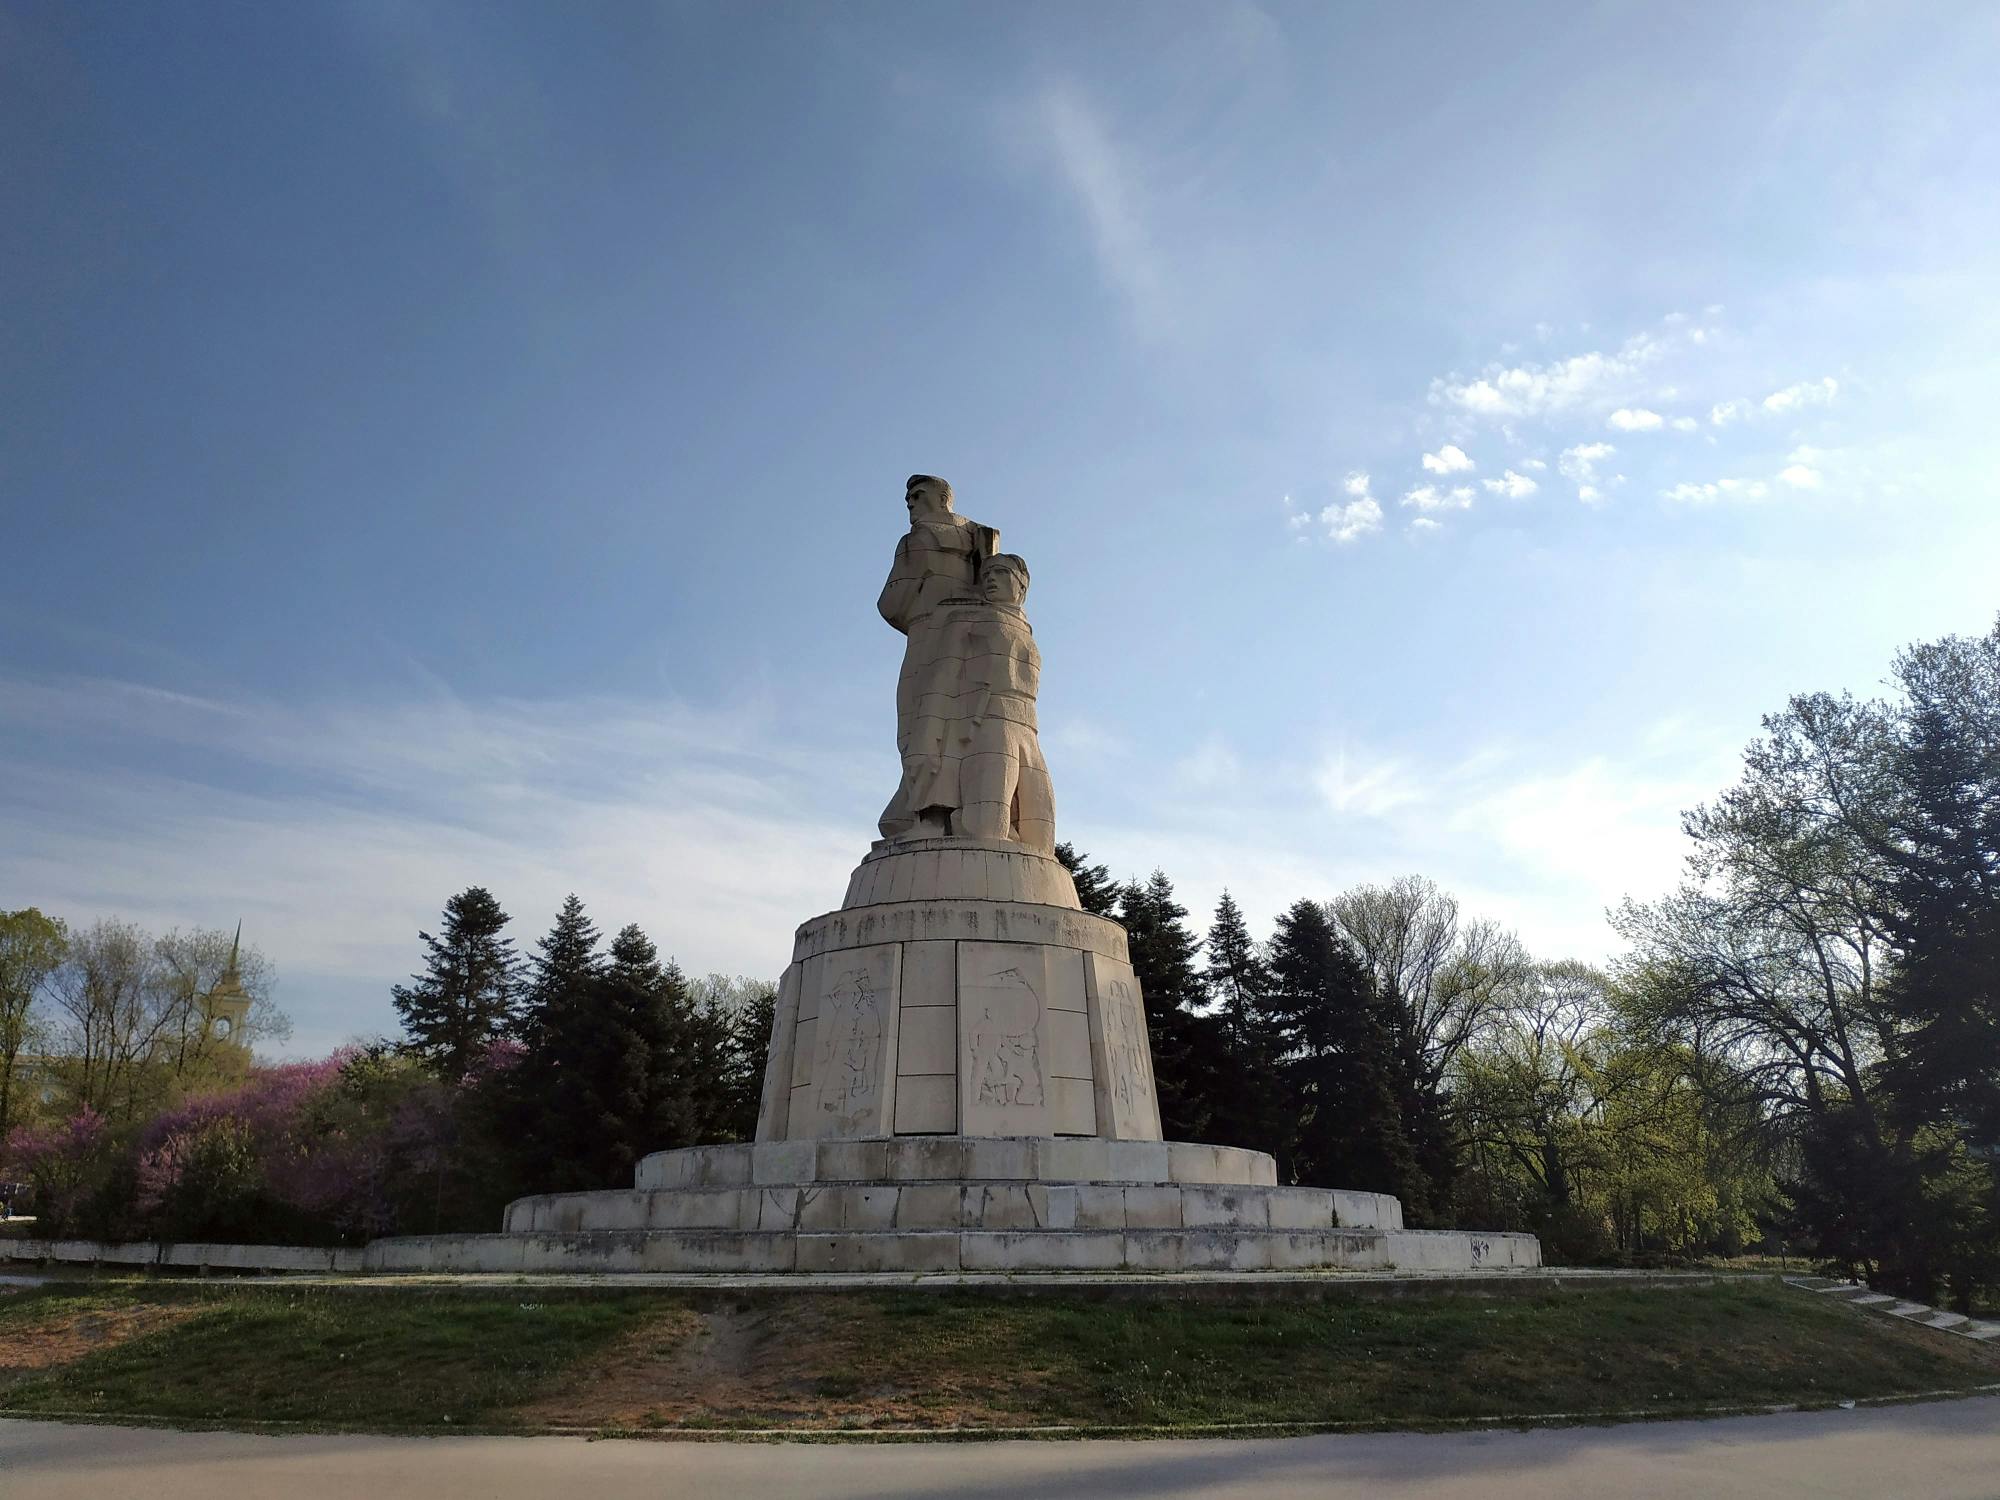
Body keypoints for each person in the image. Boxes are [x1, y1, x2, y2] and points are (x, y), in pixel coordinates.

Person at [876, 475, 998, 840]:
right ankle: (927, 809)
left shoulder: (915, 541)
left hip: (932, 632)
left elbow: (890, 603)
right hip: (967, 636)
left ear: (942, 499)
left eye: (917, 495)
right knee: (950, 721)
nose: (910, 503)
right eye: (908, 498)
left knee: (920, 722)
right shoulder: (980, 536)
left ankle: (926, 814)